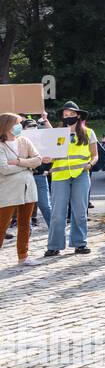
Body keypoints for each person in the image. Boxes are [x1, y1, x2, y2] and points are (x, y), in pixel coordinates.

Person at [46, 101, 98, 257]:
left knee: (80, 212)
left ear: (78, 116)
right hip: (59, 176)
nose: (68, 117)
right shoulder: (57, 134)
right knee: (57, 213)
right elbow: (51, 156)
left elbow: (95, 155)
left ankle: (80, 244)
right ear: (62, 117)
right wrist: (47, 158)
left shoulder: (88, 132)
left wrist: (90, 164)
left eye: (71, 114)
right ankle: (54, 246)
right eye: (65, 115)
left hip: (81, 175)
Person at [0, 112, 42, 267]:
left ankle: (23, 256)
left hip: (28, 189)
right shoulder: (1, 145)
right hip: (7, 191)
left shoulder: (24, 140)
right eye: (17, 123)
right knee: (2, 225)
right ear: (7, 125)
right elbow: (4, 169)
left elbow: (37, 160)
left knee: (25, 224)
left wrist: (18, 162)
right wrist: (26, 166)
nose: (19, 126)